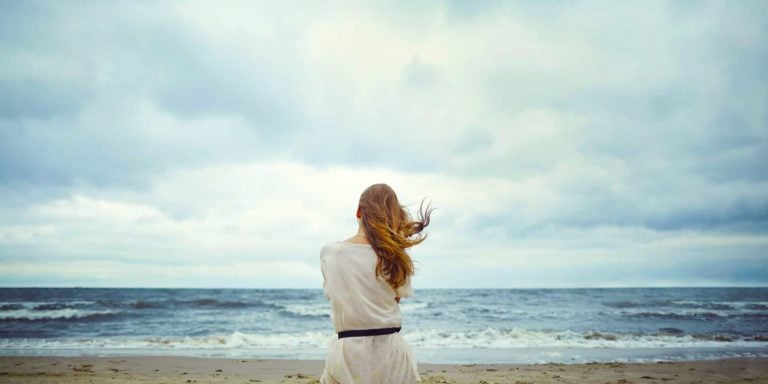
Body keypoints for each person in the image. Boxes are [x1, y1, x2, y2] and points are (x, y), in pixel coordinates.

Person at [320, 183, 432, 384]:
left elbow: (334, 295)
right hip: (391, 351)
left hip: (349, 351)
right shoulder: (395, 256)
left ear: (358, 211)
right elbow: (395, 299)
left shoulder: (330, 253)